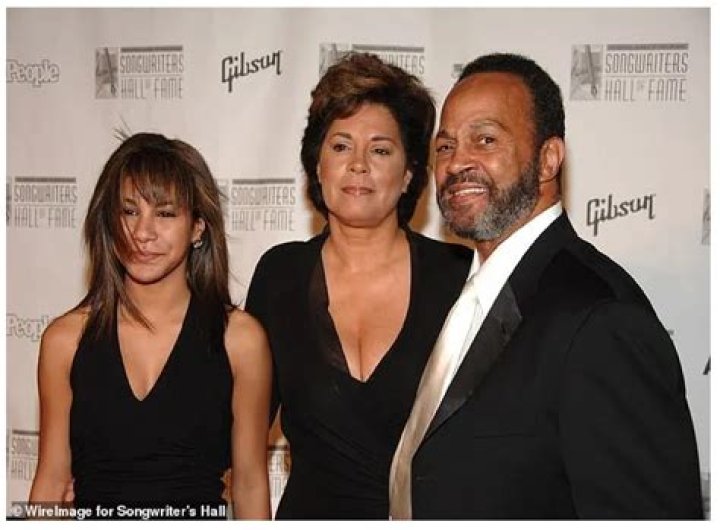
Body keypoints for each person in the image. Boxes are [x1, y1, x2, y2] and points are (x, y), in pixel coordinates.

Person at [389, 52, 704, 519]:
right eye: (446, 146)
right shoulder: (457, 296)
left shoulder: (601, 319)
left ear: (548, 159)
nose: (458, 163)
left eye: (485, 139)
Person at [244, 53, 472, 519]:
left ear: (408, 174)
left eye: (381, 150)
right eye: (341, 146)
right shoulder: (279, 275)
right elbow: (238, 438)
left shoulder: (460, 276)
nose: (359, 165)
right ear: (318, 166)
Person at [28, 133, 272, 519]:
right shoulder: (65, 341)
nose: (142, 233)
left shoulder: (240, 341)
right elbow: (51, 481)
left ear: (198, 227)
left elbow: (250, 484)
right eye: (129, 211)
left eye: (165, 214)